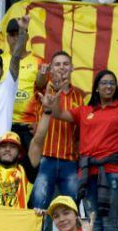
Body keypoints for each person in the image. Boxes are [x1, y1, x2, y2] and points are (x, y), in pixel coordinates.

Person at [43, 70, 118, 231]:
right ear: (96, 87)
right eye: (104, 83)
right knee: (94, 224)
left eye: (112, 83)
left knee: (110, 222)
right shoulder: (85, 111)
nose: (108, 86)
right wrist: (57, 94)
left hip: (114, 172)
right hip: (88, 174)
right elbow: (59, 114)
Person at [28, 51, 83, 217]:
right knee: (39, 211)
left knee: (72, 210)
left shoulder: (80, 97)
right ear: (51, 69)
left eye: (66, 64)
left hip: (70, 161)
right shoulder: (44, 90)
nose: (61, 67)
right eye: (57, 64)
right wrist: (41, 75)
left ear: (72, 68)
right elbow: (39, 82)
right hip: (45, 159)